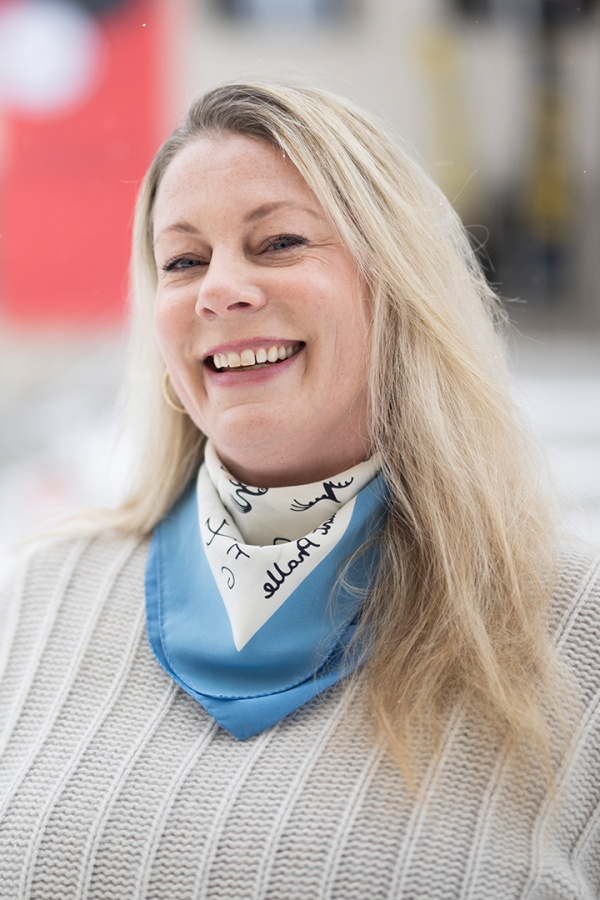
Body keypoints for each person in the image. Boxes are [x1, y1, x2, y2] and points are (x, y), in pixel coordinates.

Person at [1, 81, 599, 900]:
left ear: (398, 285)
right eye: (183, 261)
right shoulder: (33, 602)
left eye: (278, 242)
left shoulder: (575, 631)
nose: (219, 289)